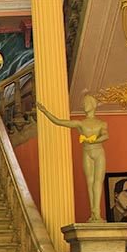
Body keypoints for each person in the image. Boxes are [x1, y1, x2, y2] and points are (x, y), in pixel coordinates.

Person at [36, 95, 109, 223]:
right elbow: (59, 122)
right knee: (90, 182)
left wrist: (93, 140)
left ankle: (97, 212)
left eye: (86, 102)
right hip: (87, 153)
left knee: (98, 182)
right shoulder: (80, 123)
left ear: (93, 105)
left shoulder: (101, 123)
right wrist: (45, 112)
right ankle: (93, 212)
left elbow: (105, 135)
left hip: (98, 152)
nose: (84, 105)